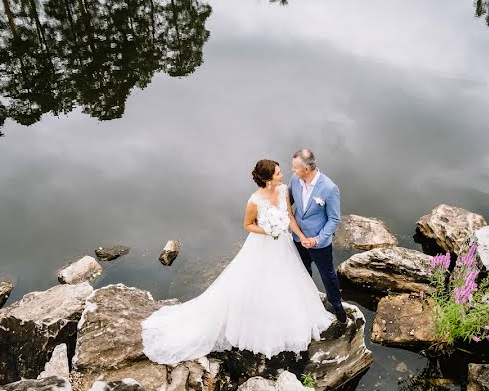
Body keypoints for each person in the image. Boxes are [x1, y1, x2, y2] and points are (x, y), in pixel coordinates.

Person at [141, 159, 335, 364]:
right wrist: (268, 230)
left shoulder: (283, 191)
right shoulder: (254, 200)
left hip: (282, 245)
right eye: (278, 173)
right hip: (262, 244)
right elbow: (247, 225)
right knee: (255, 284)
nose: (282, 175)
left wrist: (301, 236)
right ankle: (257, 325)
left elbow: (289, 216)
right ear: (268, 179)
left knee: (286, 282)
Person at [289, 149, 347, 323]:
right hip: (298, 237)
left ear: (306, 169)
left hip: (319, 243)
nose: (292, 171)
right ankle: (305, 302)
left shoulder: (329, 188)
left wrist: (317, 239)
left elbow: (334, 219)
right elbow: (288, 202)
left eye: (295, 168)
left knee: (327, 275)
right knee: (302, 270)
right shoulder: (295, 180)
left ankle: (337, 306)